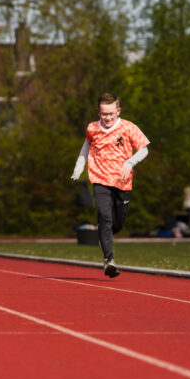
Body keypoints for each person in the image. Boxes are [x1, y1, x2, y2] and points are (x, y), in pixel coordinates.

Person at [71, 92, 150, 278]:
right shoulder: (92, 128)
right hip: (100, 179)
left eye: (111, 114)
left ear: (118, 111)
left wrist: (129, 163)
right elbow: (85, 148)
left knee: (118, 222)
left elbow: (144, 149)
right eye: (104, 114)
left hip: (122, 182)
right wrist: (78, 168)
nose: (107, 118)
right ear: (98, 112)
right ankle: (109, 261)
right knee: (104, 216)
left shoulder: (128, 127)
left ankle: (106, 236)